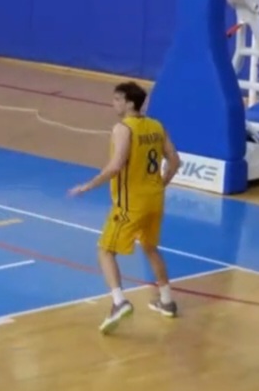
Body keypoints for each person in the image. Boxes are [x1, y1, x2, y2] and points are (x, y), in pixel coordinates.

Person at [69, 80, 181, 331]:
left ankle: (119, 302)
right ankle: (167, 301)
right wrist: (161, 184)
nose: (114, 103)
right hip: (155, 199)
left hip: (131, 203)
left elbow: (116, 165)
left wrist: (88, 185)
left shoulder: (123, 128)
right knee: (151, 247)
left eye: (118, 99)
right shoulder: (156, 126)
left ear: (130, 103)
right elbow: (175, 161)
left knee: (105, 250)